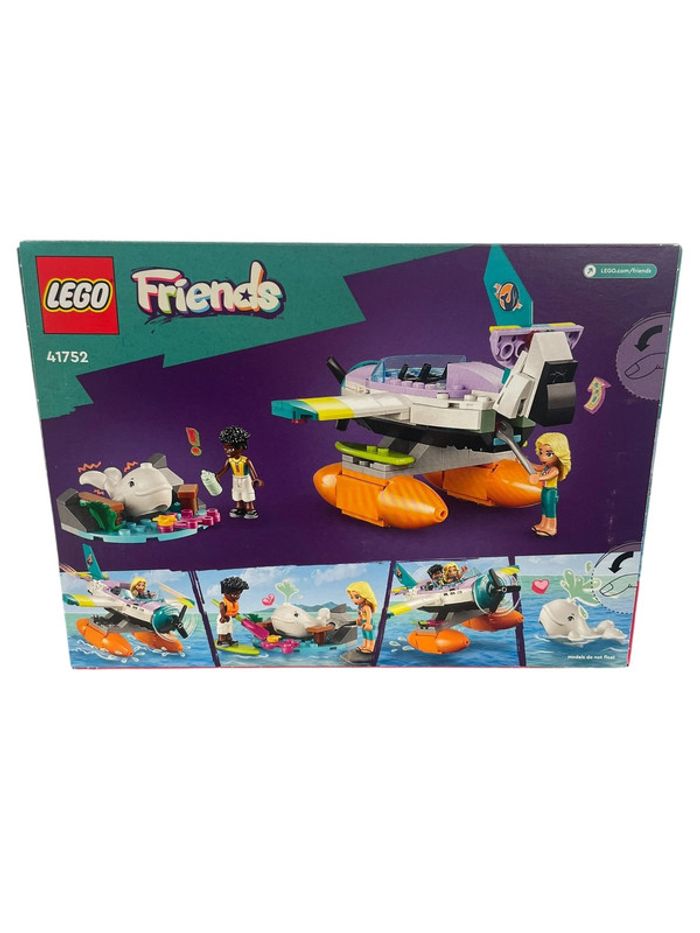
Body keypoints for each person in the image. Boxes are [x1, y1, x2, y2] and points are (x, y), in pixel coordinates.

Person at [528, 432, 572, 537]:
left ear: (559, 454)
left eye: (549, 454)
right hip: (545, 490)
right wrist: (524, 461)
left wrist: (538, 478)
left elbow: (548, 476)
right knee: (544, 508)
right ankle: (543, 524)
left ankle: (551, 528)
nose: (543, 457)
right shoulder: (547, 467)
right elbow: (537, 467)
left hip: (551, 492)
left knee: (550, 510)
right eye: (541, 452)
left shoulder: (554, 469)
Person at [215, 426, 264, 519]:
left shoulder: (245, 460)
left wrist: (256, 479)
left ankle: (250, 509)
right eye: (225, 448)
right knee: (236, 493)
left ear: (241, 447)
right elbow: (224, 469)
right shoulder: (229, 460)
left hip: (246, 479)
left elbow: (252, 470)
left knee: (247, 493)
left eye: (230, 449)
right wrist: (218, 476)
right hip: (235, 479)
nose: (227, 451)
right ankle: (239, 507)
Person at [346, 581, 378, 654]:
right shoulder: (360, 607)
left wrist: (368, 623)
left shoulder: (366, 607)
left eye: (357, 597)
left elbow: (369, 615)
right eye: (352, 597)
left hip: (369, 622)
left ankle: (371, 647)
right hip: (363, 622)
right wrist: (359, 619)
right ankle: (365, 645)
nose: (354, 600)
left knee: (370, 635)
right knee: (365, 634)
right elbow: (360, 614)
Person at [217, 576, 249, 646]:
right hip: (223, 617)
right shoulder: (224, 602)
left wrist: (235, 614)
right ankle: (221, 641)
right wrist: (223, 617)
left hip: (229, 617)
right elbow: (222, 609)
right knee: (223, 629)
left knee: (229, 630)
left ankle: (229, 640)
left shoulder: (234, 602)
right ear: (226, 593)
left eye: (238, 594)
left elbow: (232, 610)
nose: (237, 596)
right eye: (234, 594)